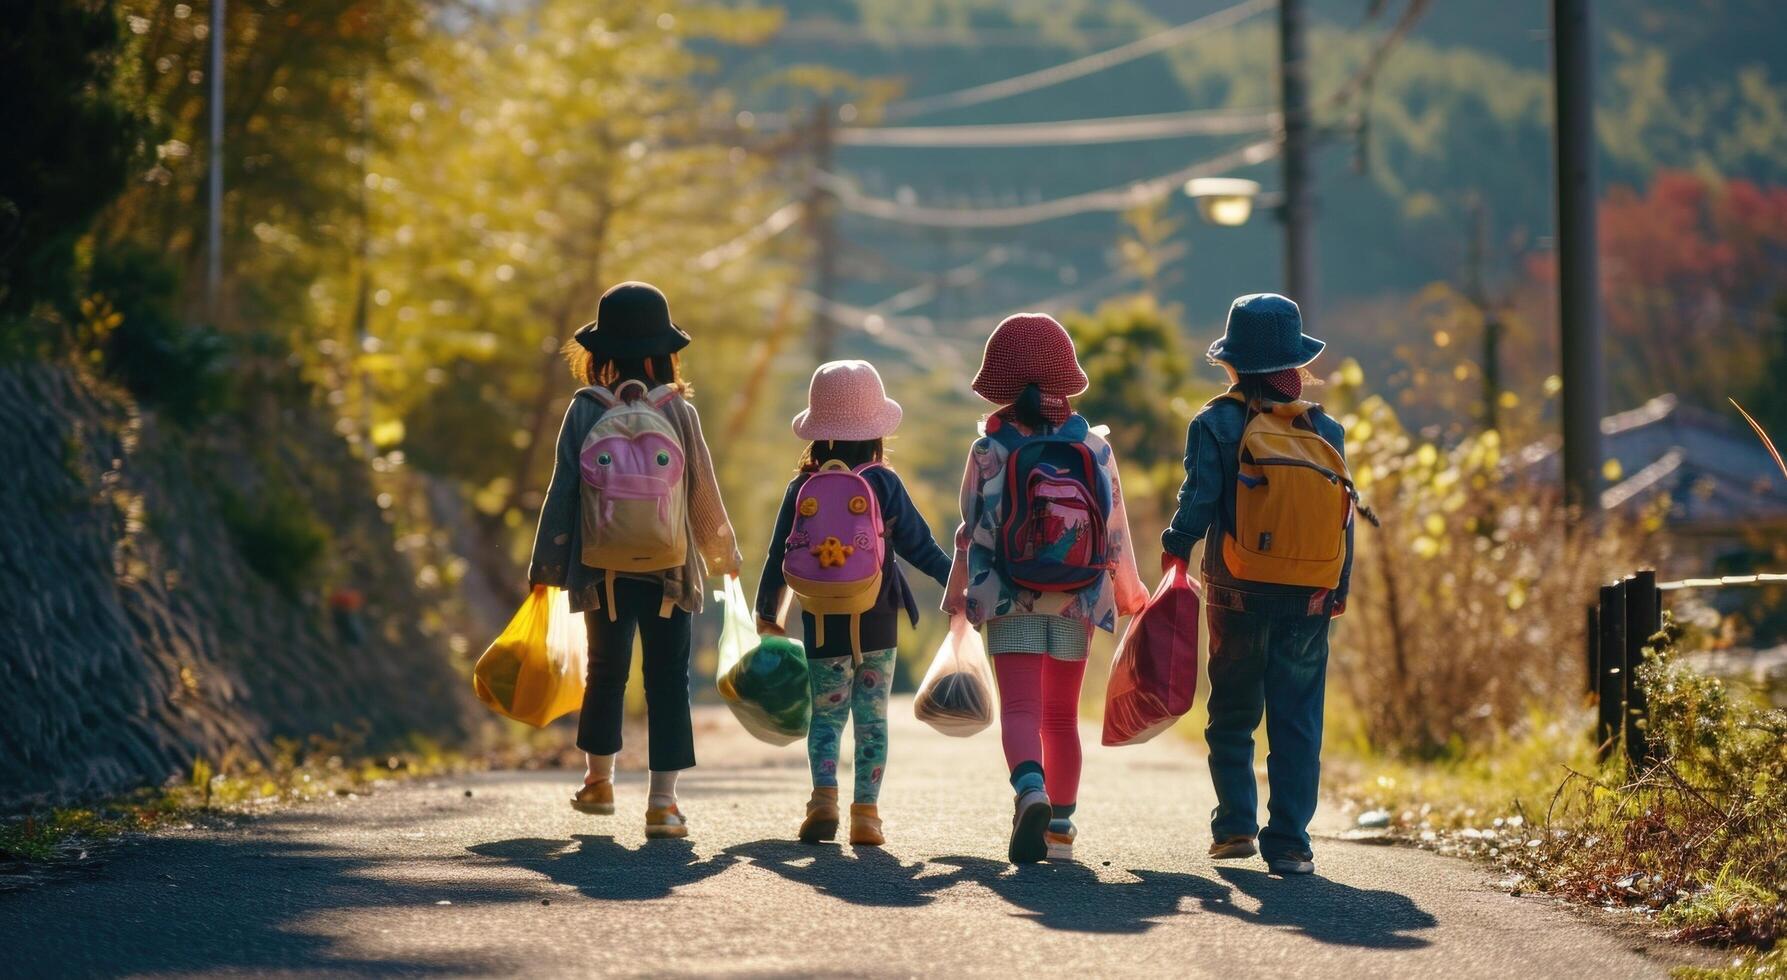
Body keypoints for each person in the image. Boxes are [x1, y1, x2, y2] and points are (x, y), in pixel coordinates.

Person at [528, 280, 742, 840]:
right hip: (671, 574)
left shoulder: (583, 410)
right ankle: (663, 805)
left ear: (600, 356)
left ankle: (598, 783)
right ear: (660, 354)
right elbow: (701, 491)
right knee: (668, 680)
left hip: (601, 572)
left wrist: (546, 570)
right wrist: (724, 555)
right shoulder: (679, 411)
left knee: (606, 672)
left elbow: (564, 492)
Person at [1162, 292, 1358, 876]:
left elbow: (1198, 501)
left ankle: (1235, 826)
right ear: (1295, 361)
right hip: (1309, 595)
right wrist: (1337, 587)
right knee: (1298, 719)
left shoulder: (1215, 422)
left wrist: (1175, 548)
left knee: (1232, 713)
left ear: (1233, 362)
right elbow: (1343, 520)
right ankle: (1292, 841)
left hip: (1237, 589)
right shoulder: (1326, 429)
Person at [943, 314, 1148, 864]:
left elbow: (973, 527)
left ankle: (1028, 789)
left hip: (1009, 596)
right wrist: (1128, 592)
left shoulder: (989, 450)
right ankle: (1059, 830)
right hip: (1079, 599)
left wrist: (957, 591)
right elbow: (1115, 527)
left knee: (1022, 711)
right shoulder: (1095, 449)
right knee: (1061, 716)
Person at [756, 360, 952, 847]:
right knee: (872, 717)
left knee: (826, 713)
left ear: (817, 430)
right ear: (876, 430)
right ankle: (866, 814)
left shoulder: (802, 487)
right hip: (879, 616)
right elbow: (920, 546)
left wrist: (766, 610)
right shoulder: (883, 483)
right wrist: (958, 586)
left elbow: (780, 549)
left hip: (823, 619)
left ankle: (823, 799)